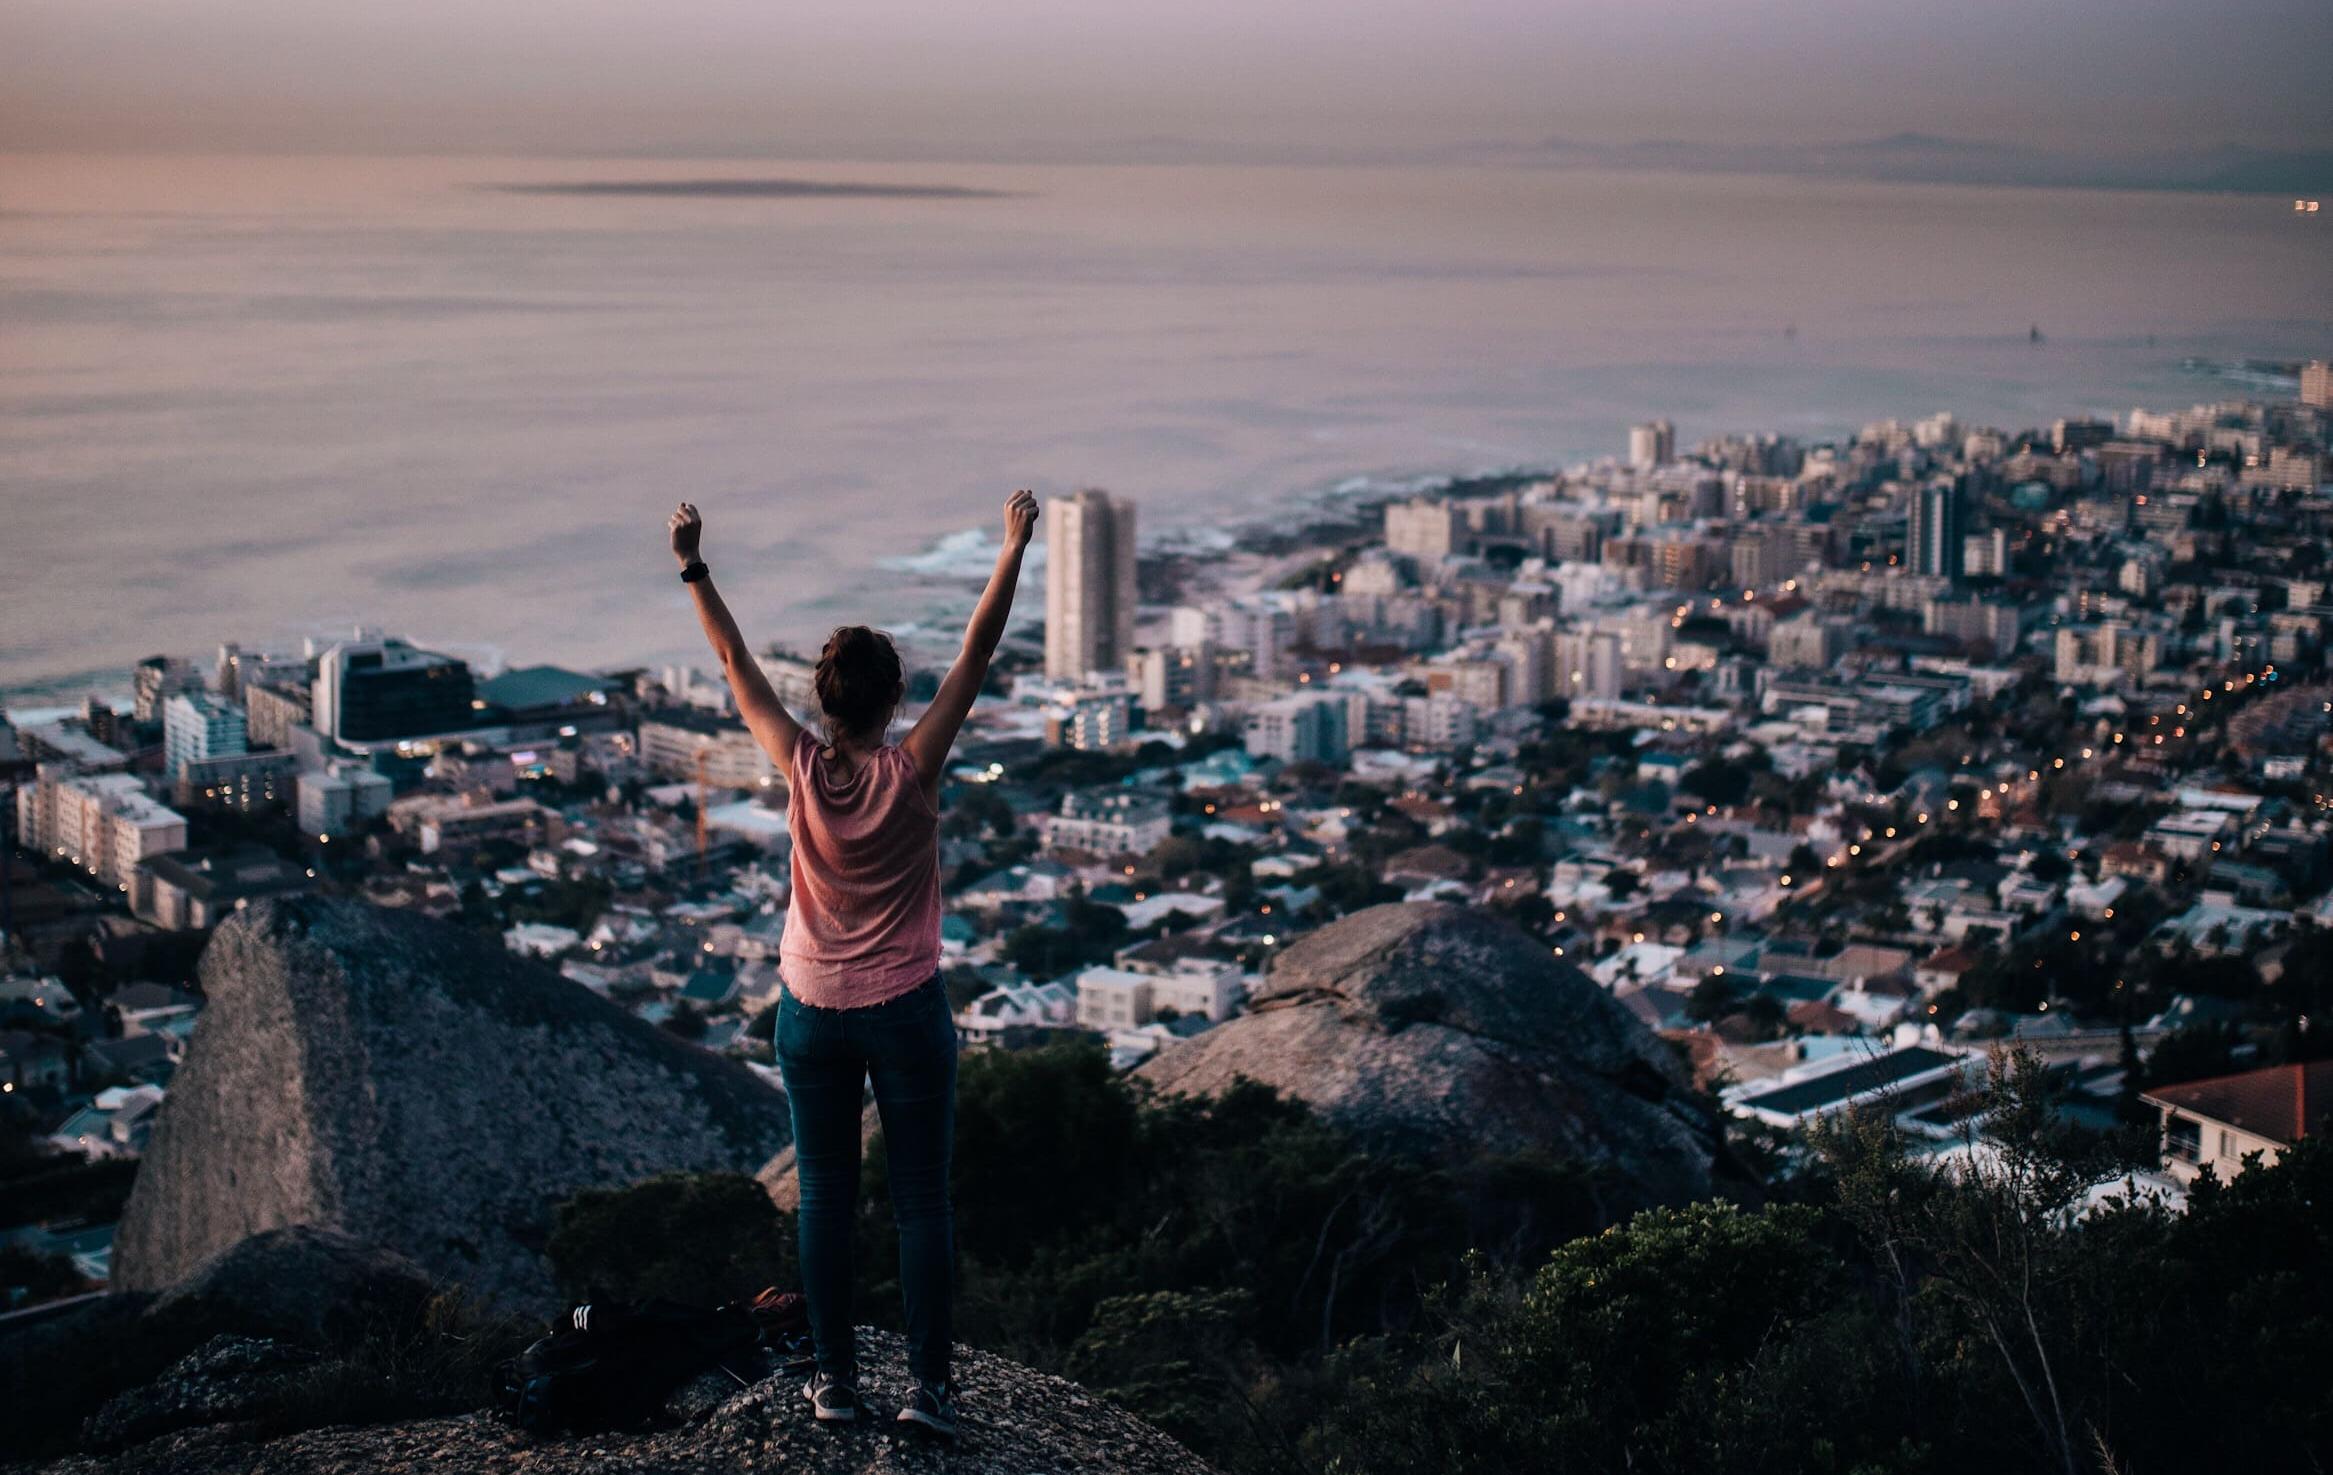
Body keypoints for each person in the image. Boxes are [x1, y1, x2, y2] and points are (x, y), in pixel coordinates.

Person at [667, 489, 1039, 1439]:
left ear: (825, 702)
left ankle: (833, 1381)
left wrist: (693, 564)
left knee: (825, 1199)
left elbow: (732, 662)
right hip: (907, 1008)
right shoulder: (913, 770)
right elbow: (978, 652)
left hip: (809, 1009)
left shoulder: (797, 764)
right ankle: (928, 1393)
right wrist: (1011, 545)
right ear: (892, 701)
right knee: (920, 1202)